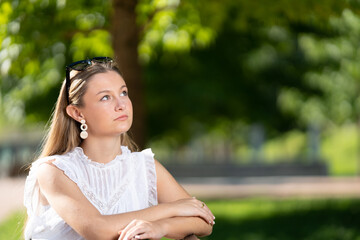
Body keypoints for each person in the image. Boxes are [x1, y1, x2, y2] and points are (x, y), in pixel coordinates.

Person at [23, 57, 215, 240]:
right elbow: (97, 230)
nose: (121, 104)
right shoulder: (54, 170)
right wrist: (171, 209)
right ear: (77, 112)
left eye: (123, 93)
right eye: (105, 97)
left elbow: (203, 221)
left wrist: (159, 227)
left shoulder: (144, 166)